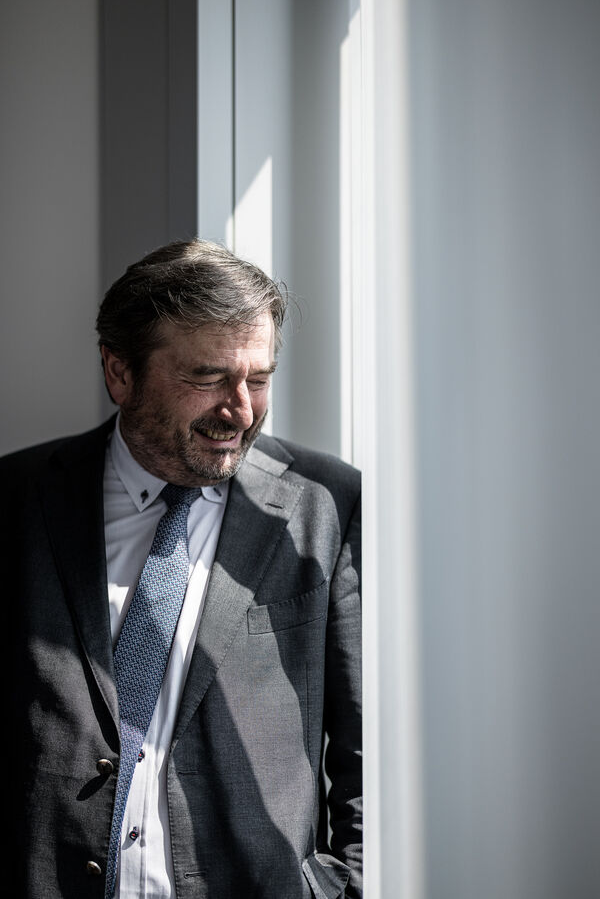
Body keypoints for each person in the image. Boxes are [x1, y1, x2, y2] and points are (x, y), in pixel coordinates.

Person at [2, 240, 362, 899]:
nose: (240, 410)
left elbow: (368, 746)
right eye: (207, 378)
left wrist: (345, 884)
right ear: (119, 371)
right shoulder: (17, 498)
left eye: (259, 379)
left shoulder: (329, 504)